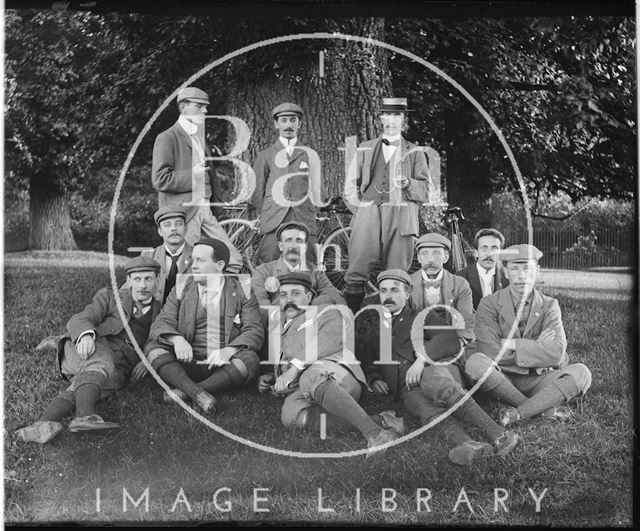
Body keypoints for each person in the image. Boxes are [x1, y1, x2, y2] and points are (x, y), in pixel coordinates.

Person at [358, 269, 520, 465]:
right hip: (407, 388)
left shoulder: (421, 316)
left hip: (436, 370)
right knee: (421, 408)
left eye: (394, 290)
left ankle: (499, 434)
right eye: (383, 291)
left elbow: (449, 339)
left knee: (435, 380)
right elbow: (368, 360)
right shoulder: (375, 331)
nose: (388, 296)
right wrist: (375, 378)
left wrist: (421, 360)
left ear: (407, 294)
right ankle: (468, 444)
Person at [15, 257, 163, 443]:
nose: (143, 285)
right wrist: (85, 335)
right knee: (100, 361)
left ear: (158, 280)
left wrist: (145, 360)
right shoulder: (110, 296)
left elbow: (157, 338)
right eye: (137, 279)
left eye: (148, 279)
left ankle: (41, 425)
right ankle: (85, 416)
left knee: (92, 384)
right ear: (129, 281)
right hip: (89, 347)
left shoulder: (160, 310)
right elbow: (80, 318)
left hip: (119, 368)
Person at [257, 272, 403, 457]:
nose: (288, 300)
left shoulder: (326, 311)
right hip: (310, 386)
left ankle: (375, 435)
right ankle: (382, 421)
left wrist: (293, 370)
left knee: (312, 376)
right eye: (283, 295)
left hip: (339, 374)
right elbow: (288, 370)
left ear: (308, 297)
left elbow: (331, 339)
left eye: (295, 293)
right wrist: (275, 377)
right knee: (290, 415)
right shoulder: (282, 329)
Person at [465, 244, 592, 426]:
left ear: (537, 271)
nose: (521, 275)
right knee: (476, 363)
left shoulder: (550, 305)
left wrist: (512, 344)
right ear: (505, 272)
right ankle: (542, 408)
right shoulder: (489, 304)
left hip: (539, 378)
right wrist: (537, 346)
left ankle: (518, 413)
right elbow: (490, 352)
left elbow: (556, 352)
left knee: (582, 372)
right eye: (515, 269)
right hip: (502, 377)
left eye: (527, 269)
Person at [145, 237, 263, 413]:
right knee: (154, 348)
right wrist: (177, 340)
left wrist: (229, 350)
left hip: (222, 365)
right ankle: (197, 393)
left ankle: (185, 391)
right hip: (186, 360)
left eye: (200, 260)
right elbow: (162, 321)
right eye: (193, 259)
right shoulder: (182, 285)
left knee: (250, 360)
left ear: (220, 265)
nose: (193, 265)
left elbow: (254, 330)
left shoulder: (242, 289)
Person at [343, 97, 430, 313]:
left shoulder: (415, 151)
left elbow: (426, 191)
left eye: (397, 115)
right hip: (369, 213)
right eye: (388, 115)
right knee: (356, 271)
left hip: (400, 218)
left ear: (403, 119)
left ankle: (395, 328)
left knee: (396, 275)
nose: (392, 120)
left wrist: (409, 183)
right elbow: (349, 188)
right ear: (381, 118)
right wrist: (362, 210)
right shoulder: (365, 148)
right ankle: (351, 324)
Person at [151, 86, 242, 271]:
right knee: (184, 267)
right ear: (183, 107)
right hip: (183, 215)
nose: (205, 111)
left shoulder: (200, 138)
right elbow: (160, 179)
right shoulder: (167, 137)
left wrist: (218, 209)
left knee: (232, 260)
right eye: (199, 106)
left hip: (205, 211)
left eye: (206, 106)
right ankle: (177, 299)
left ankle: (213, 297)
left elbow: (211, 180)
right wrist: (193, 174)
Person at [250, 102, 323, 265]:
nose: (288, 125)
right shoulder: (266, 155)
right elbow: (257, 191)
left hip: (302, 215)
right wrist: (267, 211)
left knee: (307, 260)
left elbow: (318, 189)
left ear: (299, 124)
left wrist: (311, 209)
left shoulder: (309, 155)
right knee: (269, 259)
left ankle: (305, 289)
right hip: (274, 216)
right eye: (284, 120)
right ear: (276, 124)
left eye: (293, 120)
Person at [251, 220, 345, 326]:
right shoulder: (263, 271)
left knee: (326, 299)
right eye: (288, 240)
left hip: (311, 324)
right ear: (280, 246)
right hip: (279, 327)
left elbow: (333, 294)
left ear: (304, 247)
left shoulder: (315, 271)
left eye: (299, 241)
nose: (293, 246)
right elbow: (261, 305)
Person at [409, 233, 475, 351]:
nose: (430, 259)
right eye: (425, 253)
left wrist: (458, 343)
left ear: (446, 257)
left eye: (436, 253)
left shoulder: (460, 285)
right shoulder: (407, 284)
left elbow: (466, 320)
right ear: (418, 258)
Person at [142, 205, 193, 304]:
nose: (173, 229)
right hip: (155, 316)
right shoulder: (148, 257)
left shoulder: (198, 256)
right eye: (167, 225)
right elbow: (128, 290)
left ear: (186, 228)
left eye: (178, 224)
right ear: (160, 231)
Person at [455, 228, 509, 309]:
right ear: (476, 253)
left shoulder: (508, 279)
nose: (489, 254)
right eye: (484, 248)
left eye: (494, 248)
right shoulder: (459, 278)